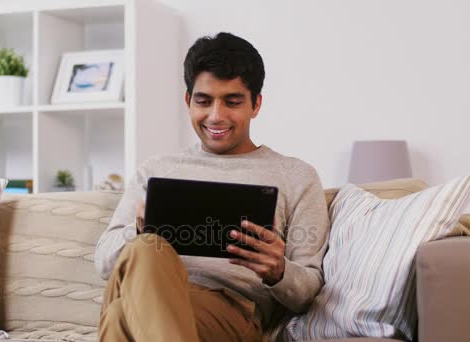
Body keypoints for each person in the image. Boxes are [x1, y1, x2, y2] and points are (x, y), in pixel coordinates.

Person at [94, 32, 330, 342]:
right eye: (204, 101)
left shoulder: (296, 176)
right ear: (188, 101)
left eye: (232, 102)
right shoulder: (156, 170)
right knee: (146, 249)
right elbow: (104, 262)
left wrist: (278, 270)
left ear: (256, 104)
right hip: (143, 290)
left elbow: (307, 290)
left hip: (229, 311)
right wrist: (138, 232)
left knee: (118, 316)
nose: (216, 116)